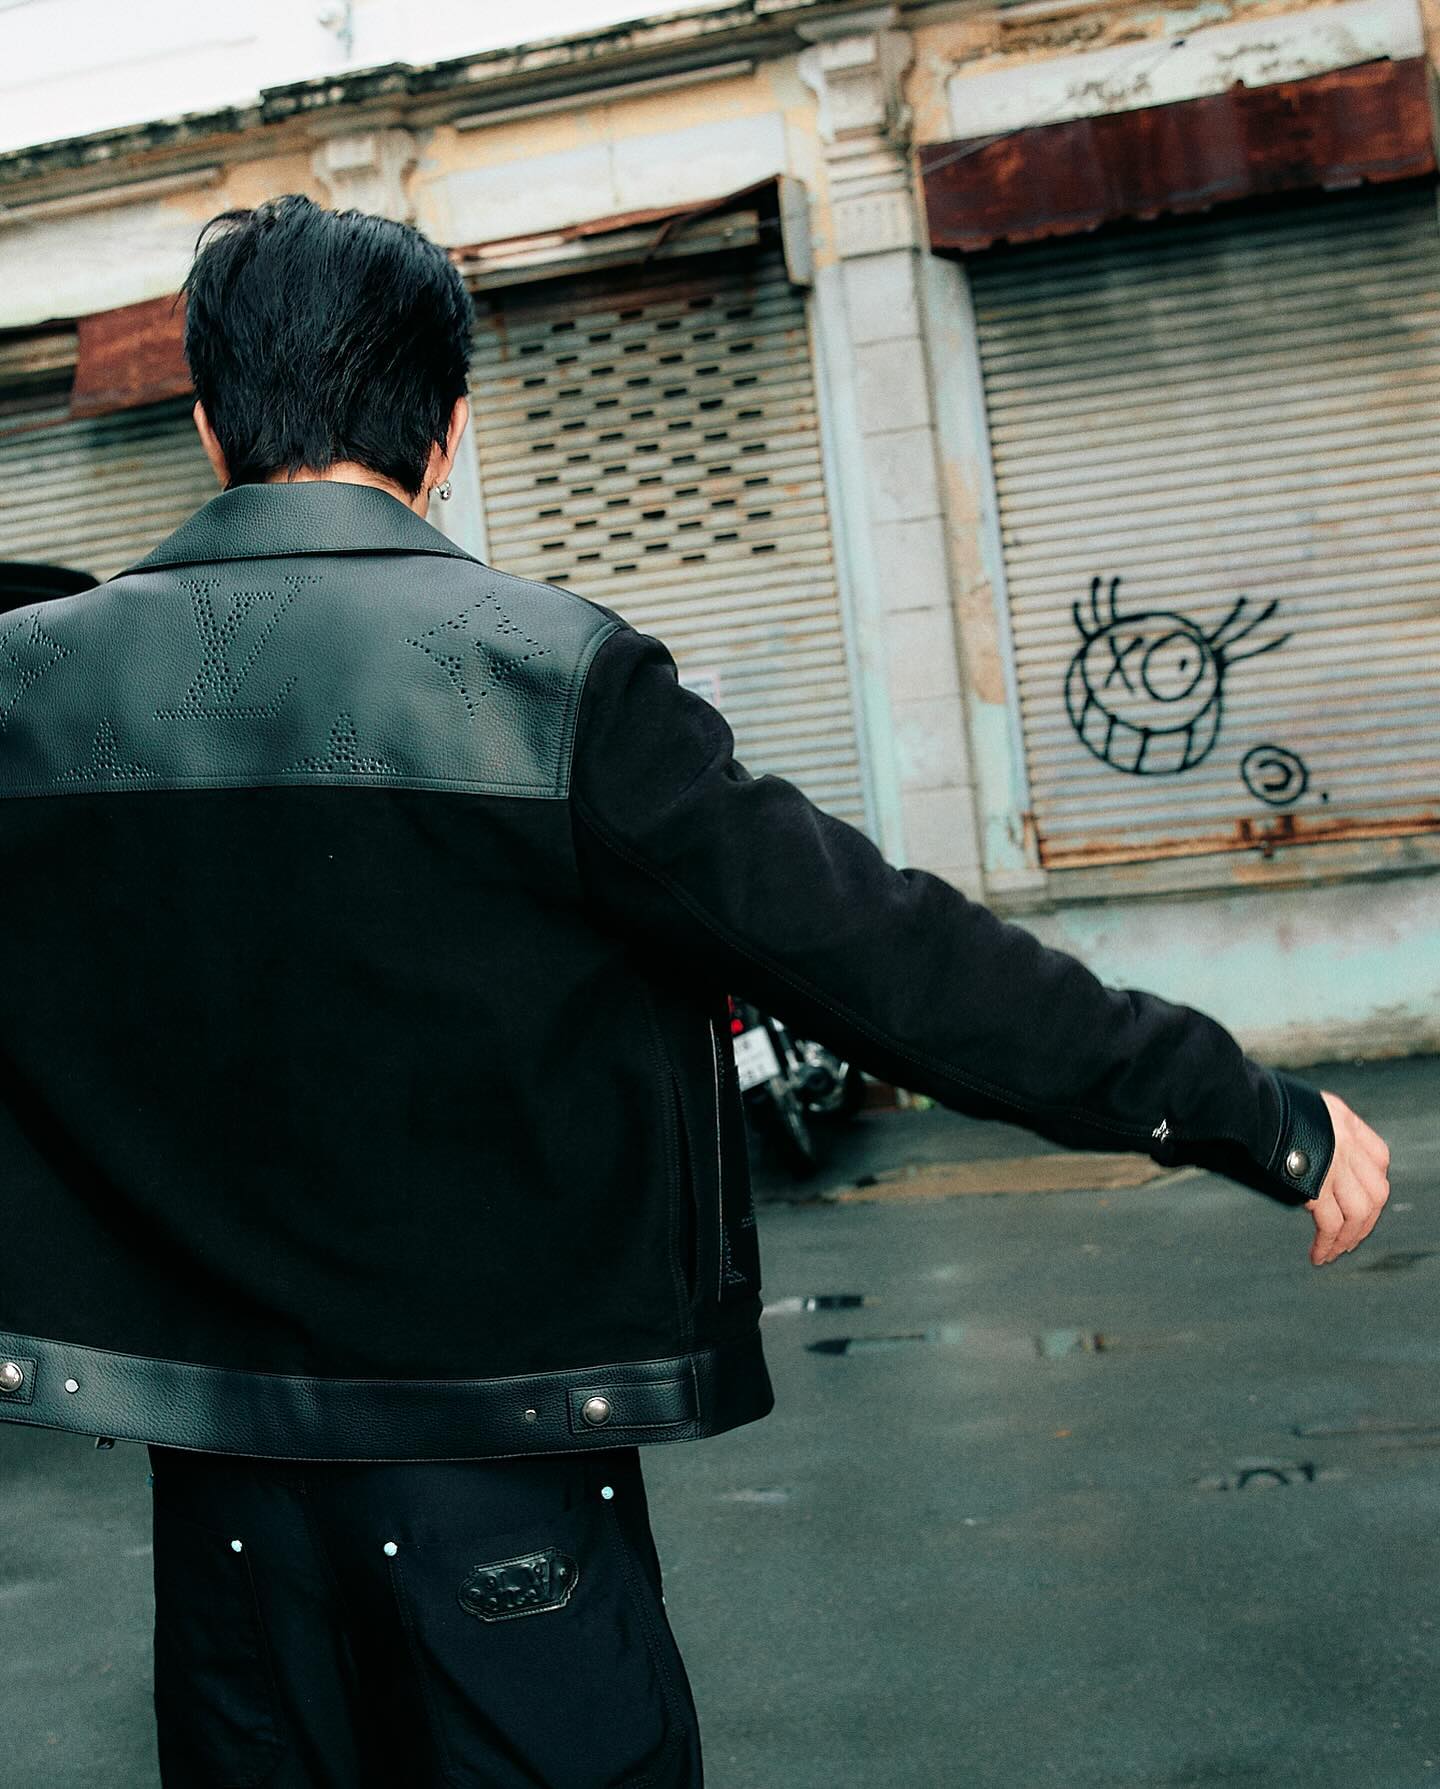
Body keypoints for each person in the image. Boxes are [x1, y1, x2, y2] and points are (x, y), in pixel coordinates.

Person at [0, 194, 1389, 1788]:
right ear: (448, 434)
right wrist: (1244, 1109)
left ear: (207, 423)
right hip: (508, 1510)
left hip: (222, 1540)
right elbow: (891, 958)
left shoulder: (30, 693)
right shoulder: (554, 679)